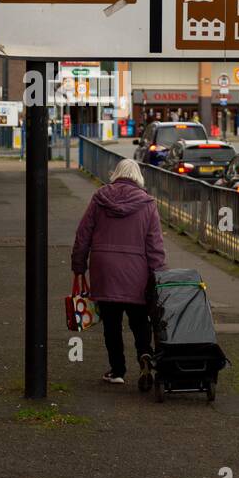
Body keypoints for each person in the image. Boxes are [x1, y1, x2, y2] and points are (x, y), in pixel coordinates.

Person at [71, 158, 166, 389]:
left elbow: (83, 235)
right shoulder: (147, 204)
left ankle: (117, 370)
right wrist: (160, 276)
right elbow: (155, 246)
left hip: (105, 269)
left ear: (117, 174)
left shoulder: (100, 198)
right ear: (138, 177)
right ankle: (145, 355)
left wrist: (78, 267)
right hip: (136, 272)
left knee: (111, 324)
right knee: (139, 321)